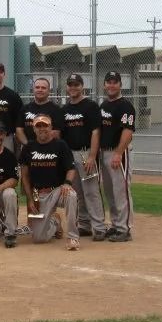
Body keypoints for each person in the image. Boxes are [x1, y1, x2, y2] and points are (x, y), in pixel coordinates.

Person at [19, 114, 80, 250]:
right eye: (38, 126)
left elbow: (71, 169)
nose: (42, 129)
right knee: (39, 239)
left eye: (45, 125)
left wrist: (67, 183)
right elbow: (25, 177)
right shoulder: (28, 147)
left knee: (71, 195)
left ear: (51, 127)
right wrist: (30, 199)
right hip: (38, 194)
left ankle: (73, 237)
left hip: (57, 190)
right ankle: (55, 221)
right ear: (34, 129)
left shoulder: (60, 145)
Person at [61, 73, 107, 241]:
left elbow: (96, 131)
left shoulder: (90, 106)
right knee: (78, 192)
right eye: (70, 84)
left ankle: (99, 227)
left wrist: (92, 156)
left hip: (85, 152)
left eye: (76, 84)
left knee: (91, 191)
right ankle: (85, 225)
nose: (73, 88)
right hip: (70, 154)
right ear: (67, 87)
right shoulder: (65, 109)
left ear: (82, 86)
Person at [100, 71, 135, 243]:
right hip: (104, 152)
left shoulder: (125, 106)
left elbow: (128, 131)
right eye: (109, 82)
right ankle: (115, 224)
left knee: (121, 191)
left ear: (120, 85)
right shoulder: (104, 105)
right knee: (110, 191)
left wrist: (119, 153)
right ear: (104, 85)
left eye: (115, 82)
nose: (112, 85)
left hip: (117, 152)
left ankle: (124, 228)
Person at [15, 77, 63, 145]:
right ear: (33, 90)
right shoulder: (25, 109)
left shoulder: (56, 110)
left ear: (49, 91)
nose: (40, 90)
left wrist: (39, 148)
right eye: (37, 87)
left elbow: (56, 133)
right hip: (28, 148)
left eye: (43, 88)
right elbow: (19, 130)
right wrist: (28, 145)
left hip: (48, 149)